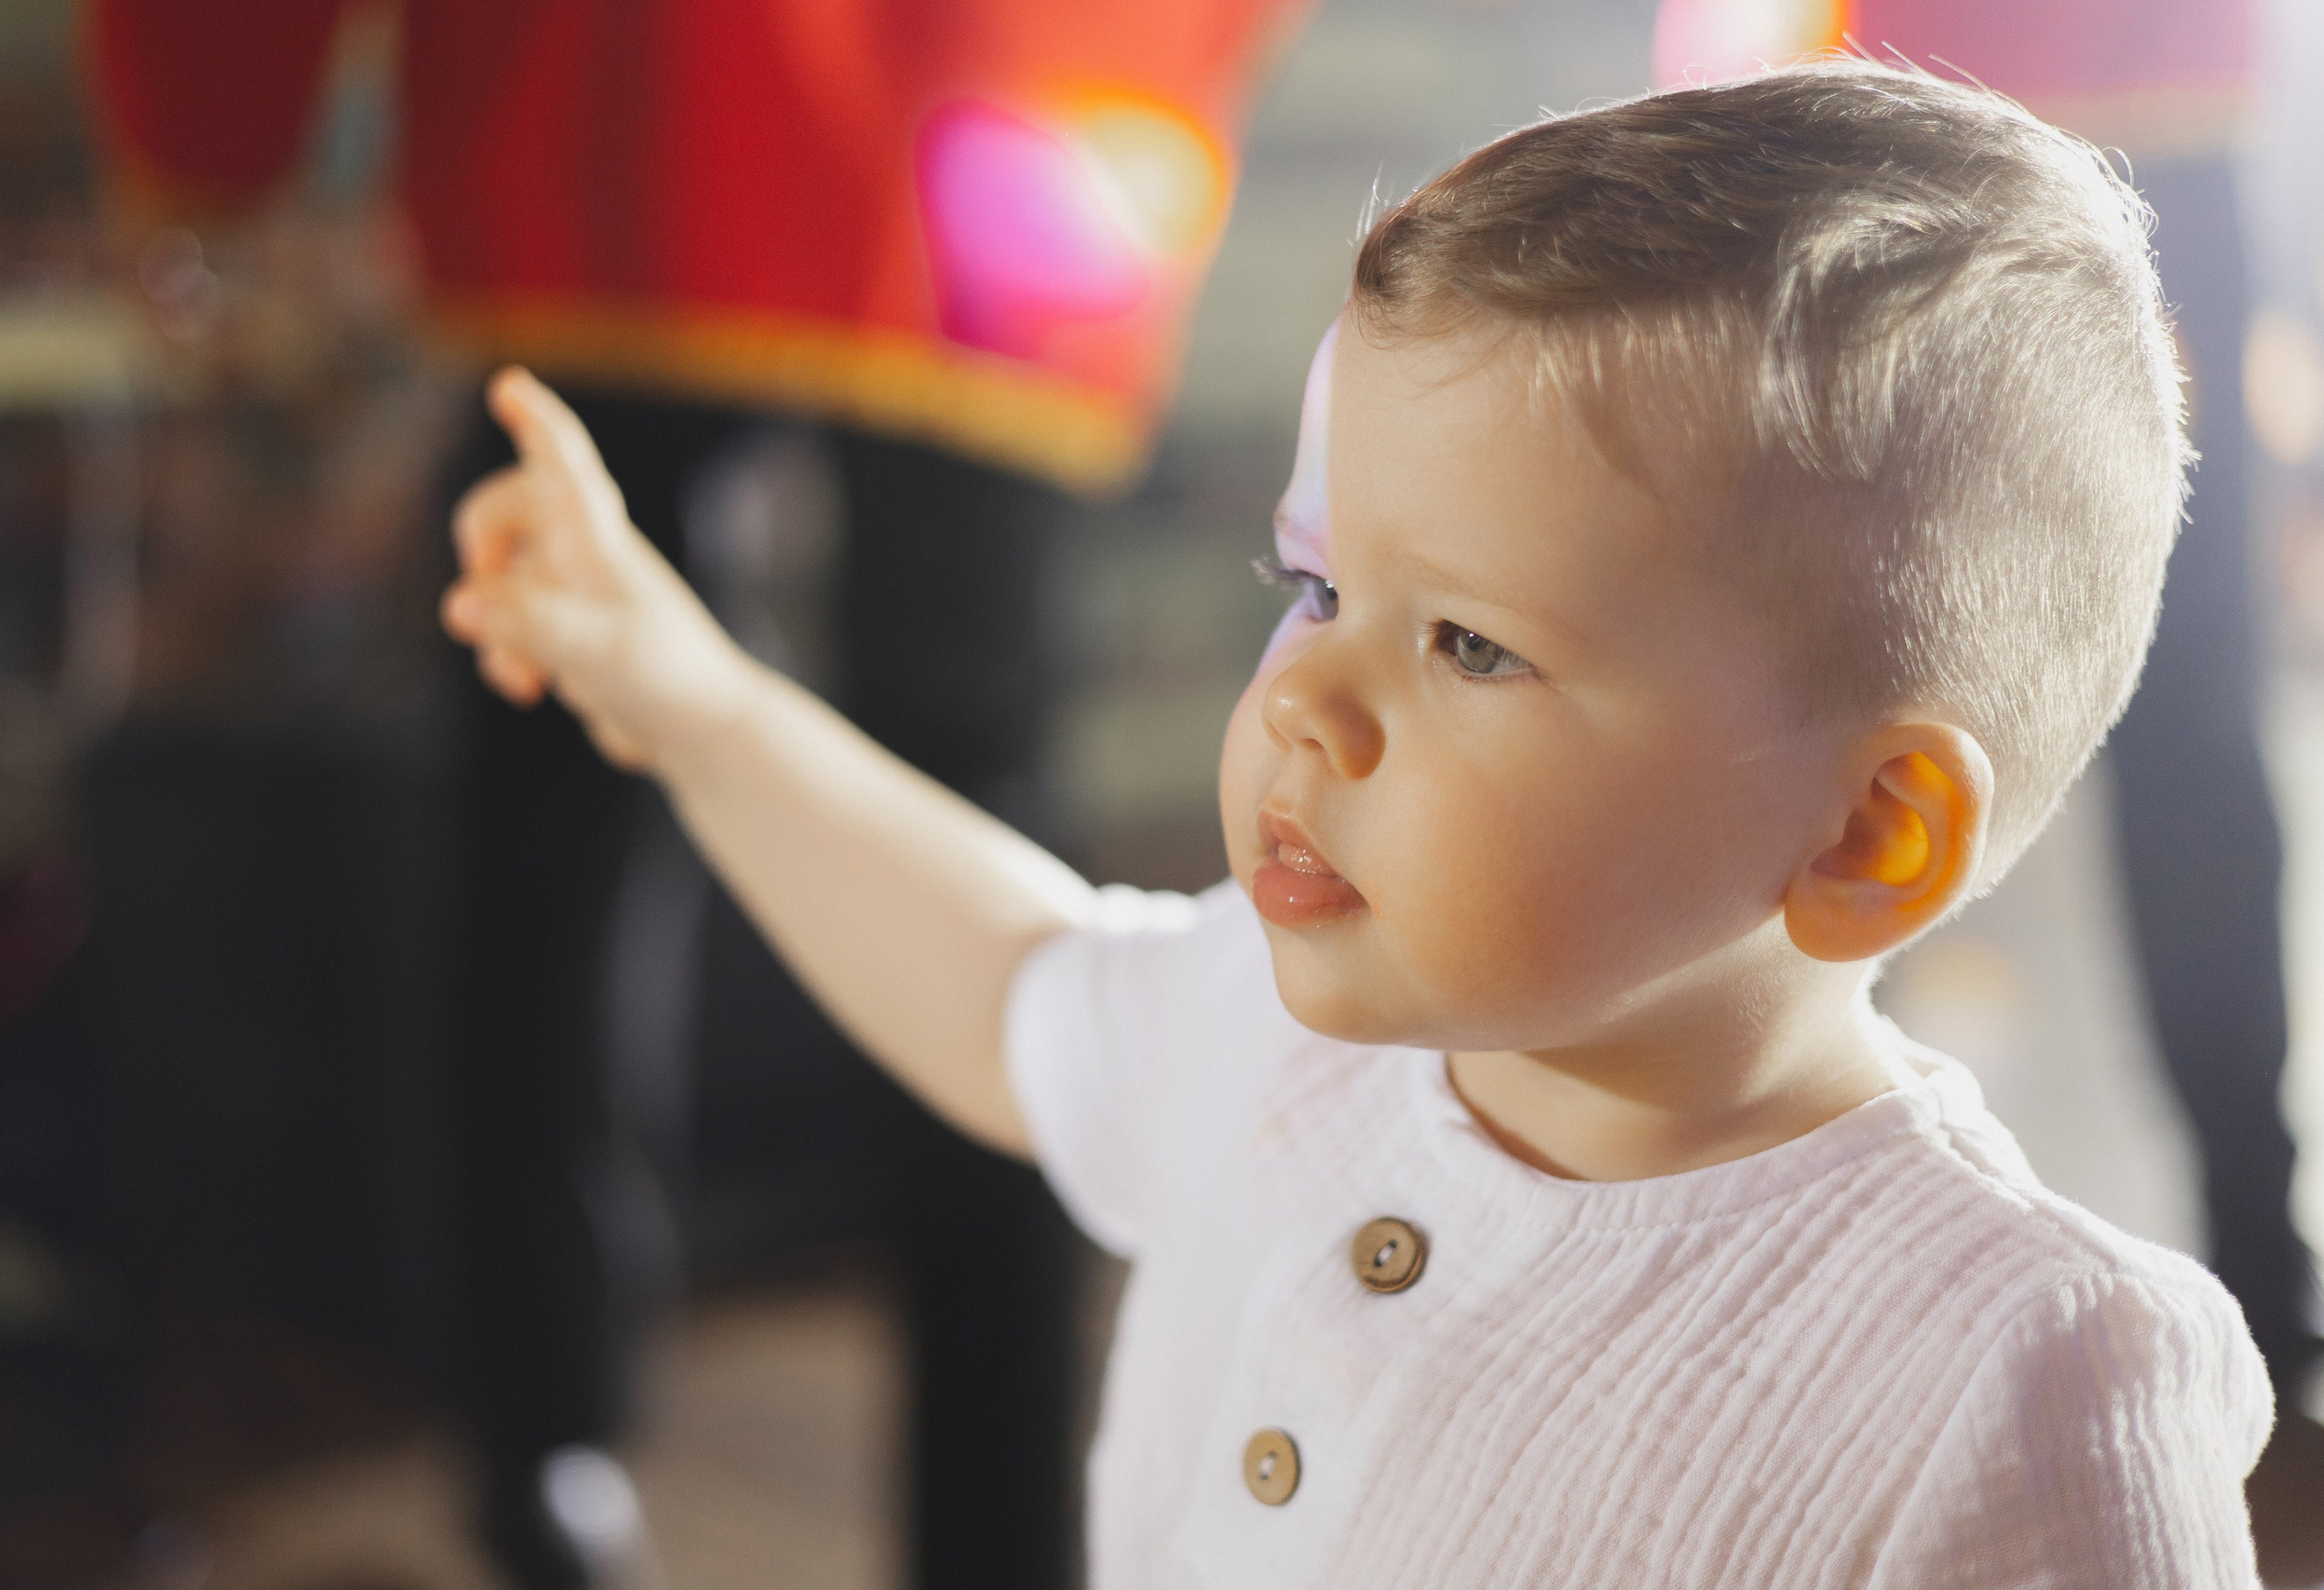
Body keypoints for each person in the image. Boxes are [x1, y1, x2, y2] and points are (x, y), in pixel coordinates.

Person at [444, 61, 2272, 1585]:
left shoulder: (2014, 1376)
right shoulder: (1274, 1036)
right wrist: (682, 695)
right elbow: (1006, 973)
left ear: (1869, 830)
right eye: (1312, 582)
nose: (1300, 701)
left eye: (1469, 641)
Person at [85, 3, 1302, 1583]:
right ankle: (992, 1541)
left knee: (560, 776)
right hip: (1016, 92)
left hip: (628, 83)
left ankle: (544, 1463)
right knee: (961, 797)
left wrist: (208, 142)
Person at [1650, 4, 2324, 1578]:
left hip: (2153, 132)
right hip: (1879, 150)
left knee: (2182, 752)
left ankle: (2265, 1265)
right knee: (1832, 713)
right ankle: (1786, 1257)